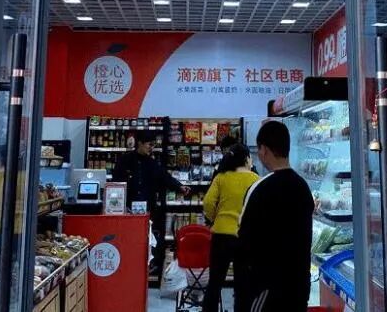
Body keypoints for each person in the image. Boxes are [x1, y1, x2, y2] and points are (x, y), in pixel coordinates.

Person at [237, 121, 314, 312]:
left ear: (263, 150)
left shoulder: (259, 189)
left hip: (266, 291)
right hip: (298, 288)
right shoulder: (303, 188)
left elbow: (244, 242)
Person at [112, 131, 189, 272]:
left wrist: (179, 187)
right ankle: (128, 268)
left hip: (148, 211)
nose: (151, 148)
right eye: (149, 144)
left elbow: (165, 177)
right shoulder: (125, 160)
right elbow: (115, 183)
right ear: (140, 143)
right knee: (128, 241)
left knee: (146, 242)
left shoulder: (152, 163)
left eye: (153, 145)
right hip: (127, 211)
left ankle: (144, 269)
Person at [202, 144, 259, 312]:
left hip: (221, 236)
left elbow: (208, 203)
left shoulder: (221, 177)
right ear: (247, 159)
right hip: (245, 237)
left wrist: (215, 219)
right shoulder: (256, 179)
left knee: (215, 283)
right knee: (243, 285)